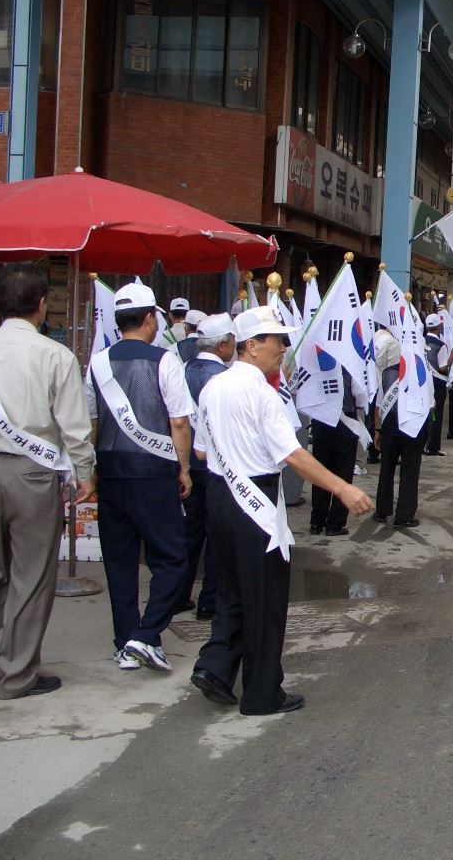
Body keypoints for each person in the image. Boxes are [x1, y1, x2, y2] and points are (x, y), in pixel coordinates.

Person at [190, 307, 372, 715]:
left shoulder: (213, 387)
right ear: (251, 347)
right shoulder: (261, 393)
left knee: (233, 591)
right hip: (253, 499)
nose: (285, 349)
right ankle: (261, 693)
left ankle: (216, 667)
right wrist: (342, 488)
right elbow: (291, 454)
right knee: (266, 599)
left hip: (220, 496)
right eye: (277, 340)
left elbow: (201, 450)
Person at [0, 263, 95, 700]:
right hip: (33, 475)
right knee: (31, 575)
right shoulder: (56, 356)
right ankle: (16, 675)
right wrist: (84, 475)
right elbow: (75, 428)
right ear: (42, 305)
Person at [87, 282, 195, 674]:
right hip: (153, 472)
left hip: (111, 470)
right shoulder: (164, 361)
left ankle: (125, 643)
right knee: (172, 557)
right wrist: (182, 468)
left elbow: (93, 421)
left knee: (119, 561)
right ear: (150, 318)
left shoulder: (98, 361)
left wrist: (94, 469)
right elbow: (180, 422)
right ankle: (146, 635)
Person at [178, 312, 234, 622]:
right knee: (217, 537)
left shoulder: (181, 370)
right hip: (214, 465)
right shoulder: (223, 378)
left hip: (185, 464)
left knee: (188, 532)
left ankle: (178, 594)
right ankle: (209, 601)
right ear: (224, 343)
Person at [372, 331, 426, 529]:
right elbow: (430, 404)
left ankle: (382, 510)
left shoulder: (387, 372)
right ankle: (404, 515)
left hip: (389, 425)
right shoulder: (421, 372)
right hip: (412, 426)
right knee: (410, 471)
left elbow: (379, 404)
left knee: (386, 468)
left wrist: (377, 430)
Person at [308, 367, 360, 537]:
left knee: (320, 473)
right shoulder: (350, 364)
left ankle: (316, 521)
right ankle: (335, 524)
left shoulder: (316, 364)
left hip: (321, 421)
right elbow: (360, 397)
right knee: (343, 473)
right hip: (345, 421)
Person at [423, 313, 453, 456]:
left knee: (423, 412)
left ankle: (422, 444)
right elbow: (442, 367)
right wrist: (452, 357)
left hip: (423, 381)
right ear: (439, 327)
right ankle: (432, 447)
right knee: (436, 412)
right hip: (437, 382)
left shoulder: (420, 341)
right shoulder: (441, 345)